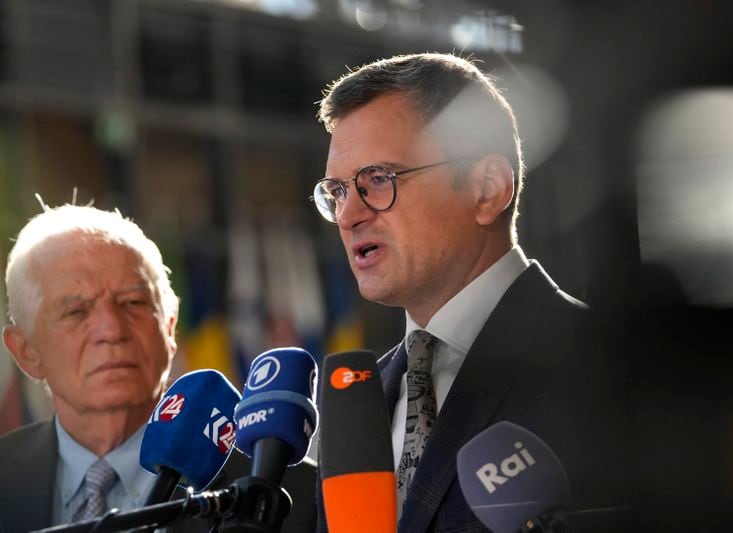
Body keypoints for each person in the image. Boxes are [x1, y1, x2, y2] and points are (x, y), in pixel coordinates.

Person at [312, 53, 627, 531]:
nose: (349, 216)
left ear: (488, 189)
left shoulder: (609, 365)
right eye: (336, 192)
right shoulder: (354, 408)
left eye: (378, 180)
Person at [0, 204, 316, 532]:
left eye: (134, 303)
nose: (112, 330)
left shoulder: (292, 492)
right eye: (76, 311)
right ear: (26, 352)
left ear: (169, 326)